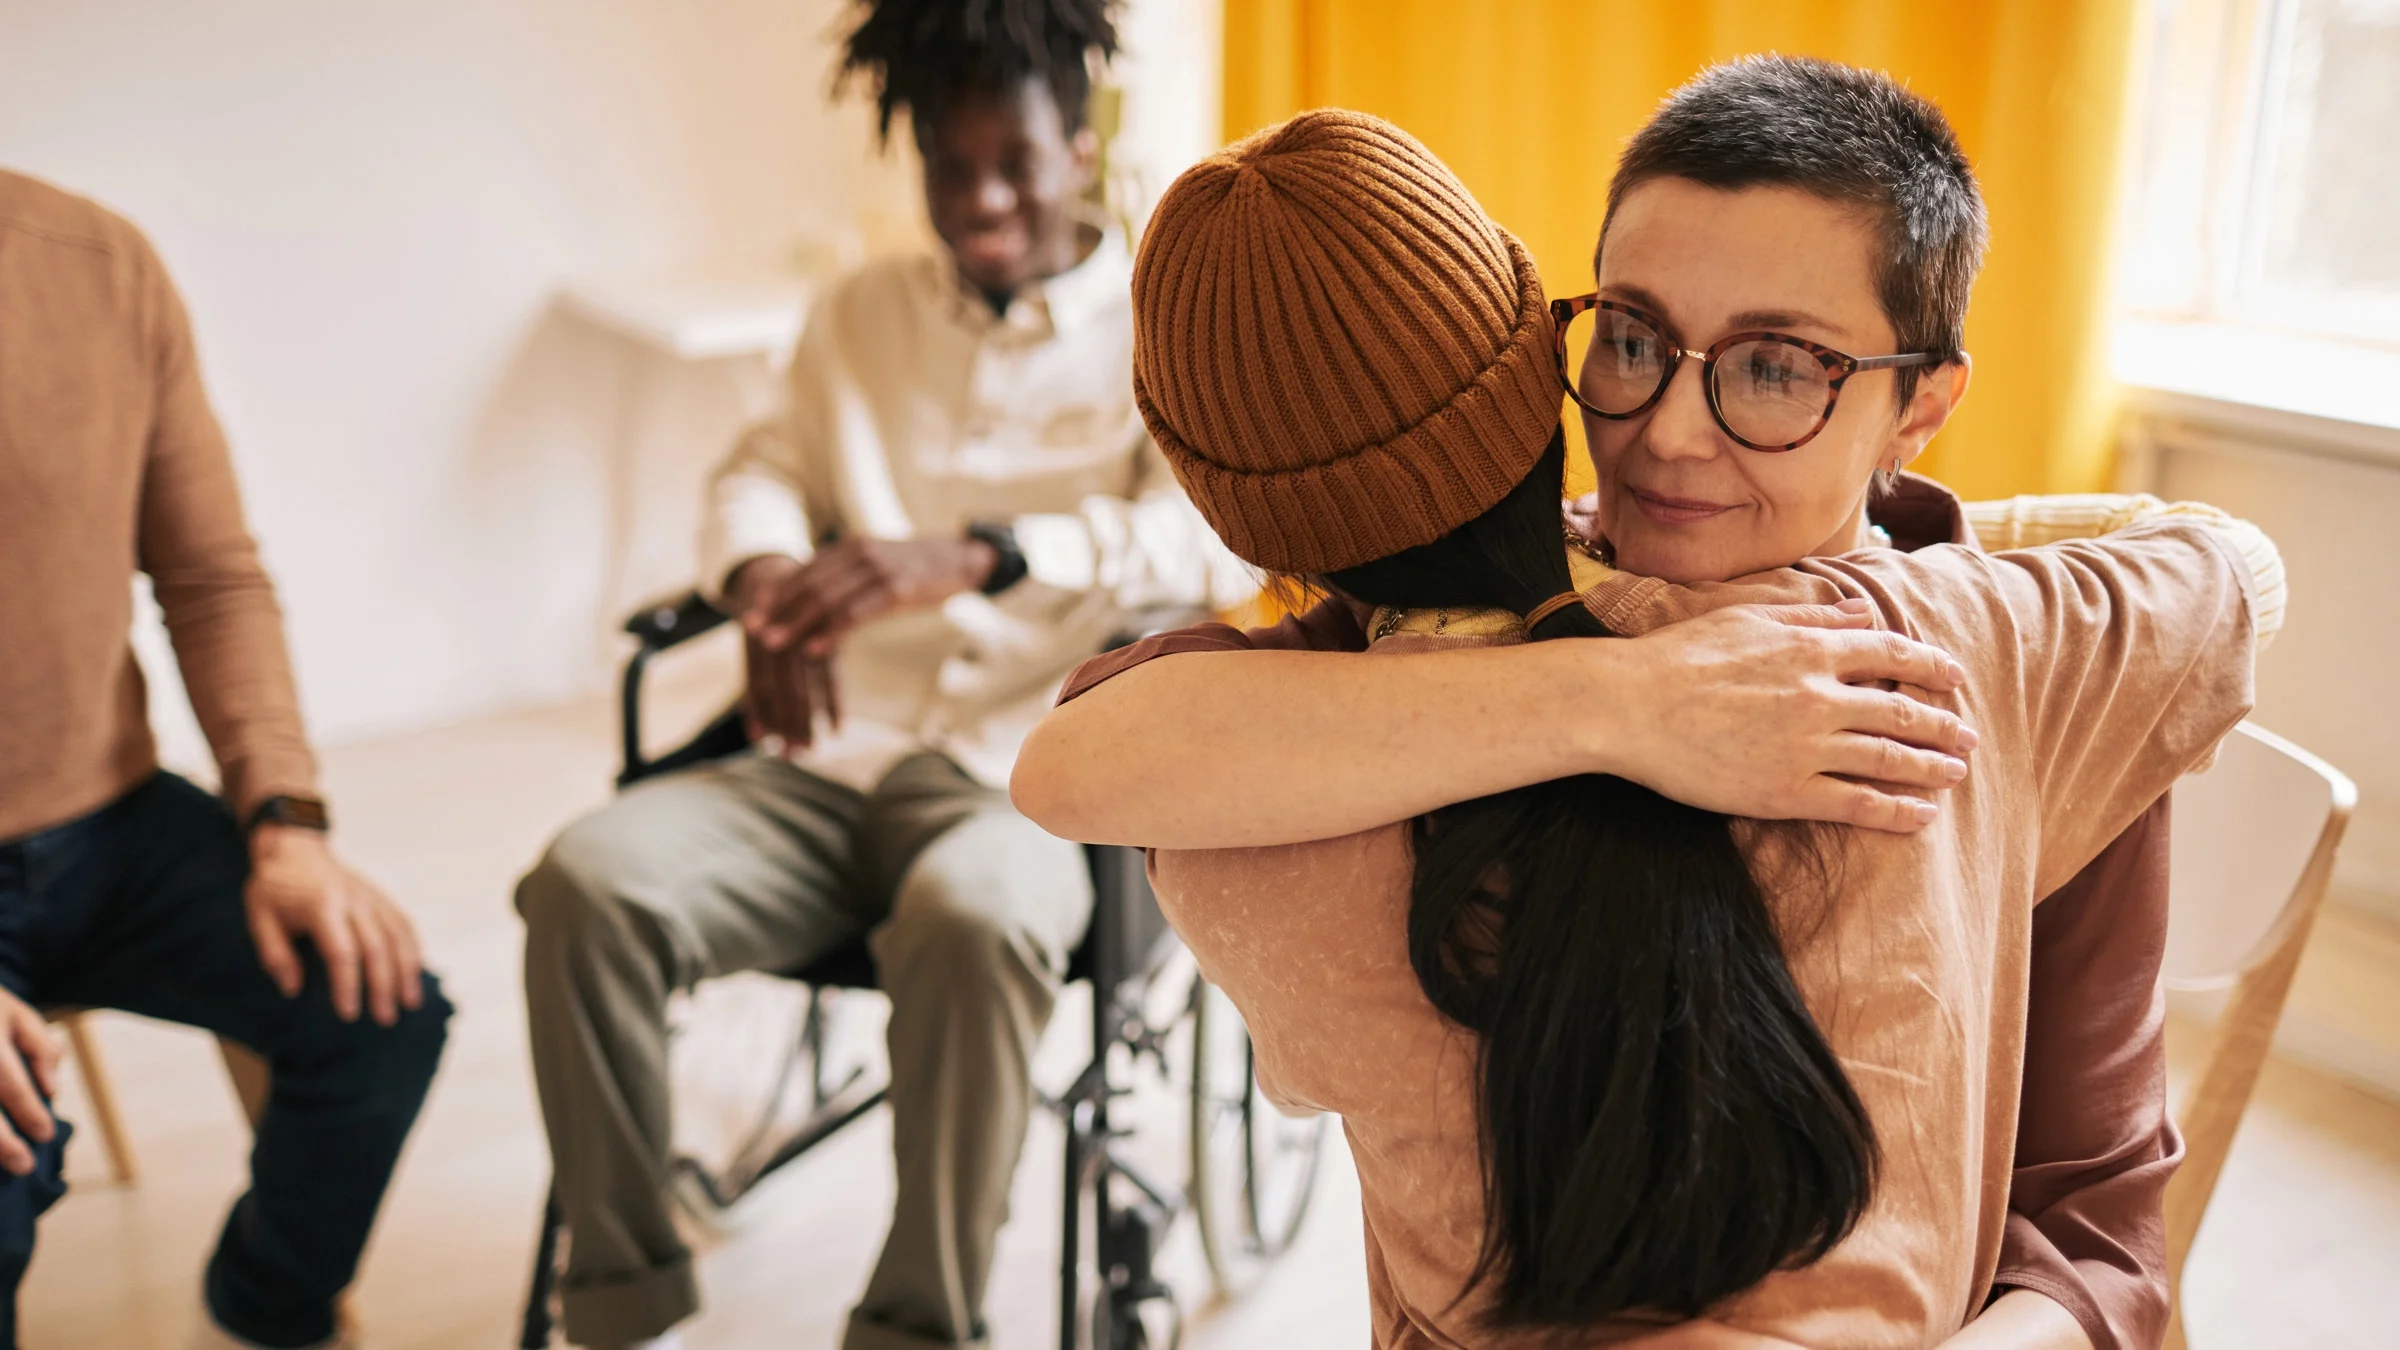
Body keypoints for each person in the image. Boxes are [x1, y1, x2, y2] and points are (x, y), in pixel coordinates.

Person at [1015, 77, 2280, 1350]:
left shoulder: (2015, 659)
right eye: (1629, 340)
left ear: (1925, 406)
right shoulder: (1431, 642)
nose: (1670, 433)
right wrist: (1623, 700)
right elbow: (1081, 754)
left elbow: (2096, 1236)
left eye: (1775, 369)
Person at [510, 3, 1259, 1348]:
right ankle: (627, 1309)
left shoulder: (1166, 320)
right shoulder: (857, 316)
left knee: (973, 919)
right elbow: (761, 469)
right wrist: (761, 575)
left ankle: (917, 1329)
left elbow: (1207, 541)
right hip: (826, 749)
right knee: (586, 886)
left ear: (1081, 148)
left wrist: (986, 553)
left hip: (1031, 779)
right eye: (947, 166)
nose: (981, 199)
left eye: (1014, 161)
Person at [0, 170, 451, 1350]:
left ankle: (257, 1313)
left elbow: (211, 581)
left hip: (108, 821)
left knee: (381, 1012)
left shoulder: (99, 263)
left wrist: (286, 824)